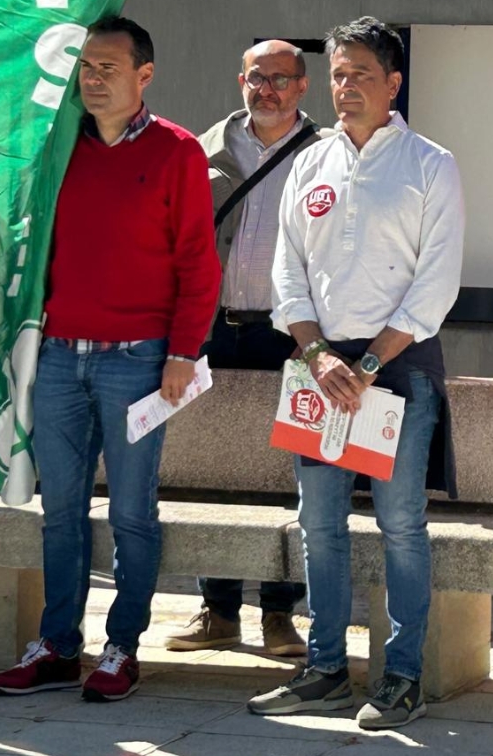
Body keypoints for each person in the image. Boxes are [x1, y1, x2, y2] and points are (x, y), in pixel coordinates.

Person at [0, 16, 221, 702]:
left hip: (139, 362)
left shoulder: (178, 152)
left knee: (131, 514)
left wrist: (183, 352)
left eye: (107, 68)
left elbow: (198, 264)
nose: (92, 79)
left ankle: (122, 648)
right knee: (59, 510)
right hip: (59, 358)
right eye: (85, 67)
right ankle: (58, 646)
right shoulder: (58, 146)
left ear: (144, 75)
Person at [248, 16, 464, 730]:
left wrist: (368, 364)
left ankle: (402, 677)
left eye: (360, 75)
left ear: (393, 83)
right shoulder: (309, 162)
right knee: (320, 525)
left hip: (396, 372)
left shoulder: (431, 164)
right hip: (319, 370)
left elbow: (436, 283)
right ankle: (326, 670)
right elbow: (287, 271)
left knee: (401, 524)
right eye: (338, 75)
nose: (345, 87)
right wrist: (317, 355)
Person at [166, 40, 330, 658]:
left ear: (303, 86)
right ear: (241, 81)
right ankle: (218, 610)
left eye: (281, 79)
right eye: (258, 78)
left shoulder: (327, 154)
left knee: (289, 470)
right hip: (214, 327)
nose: (269, 90)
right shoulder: (203, 149)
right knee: (215, 468)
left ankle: (280, 614)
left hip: (291, 333)